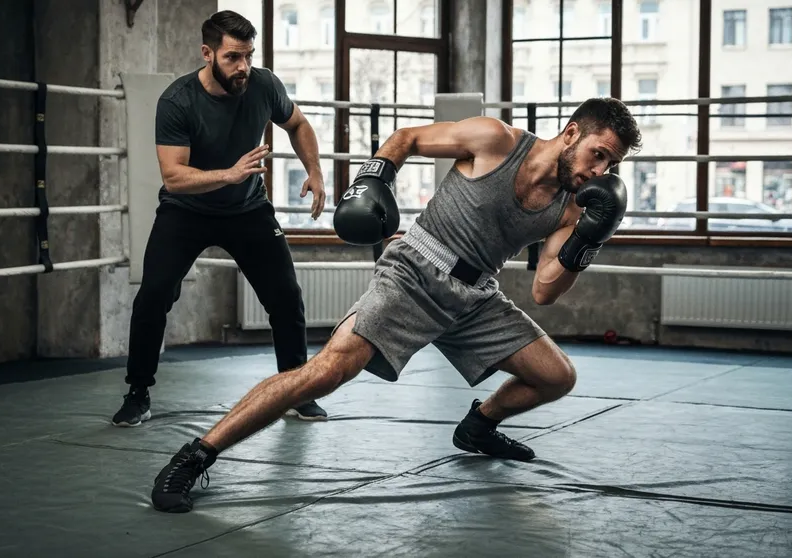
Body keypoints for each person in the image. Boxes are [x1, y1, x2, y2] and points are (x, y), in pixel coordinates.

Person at [149, 98, 642, 513]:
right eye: (598, 155)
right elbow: (406, 138)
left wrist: (588, 240)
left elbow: (545, 290)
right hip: (414, 271)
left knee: (557, 376)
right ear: (572, 132)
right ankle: (197, 455)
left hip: (474, 298)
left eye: (610, 166)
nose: (599, 172)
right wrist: (372, 180)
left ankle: (480, 424)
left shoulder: (574, 206)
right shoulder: (496, 140)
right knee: (328, 371)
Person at [111, 10, 330, 427]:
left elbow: (297, 123)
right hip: (186, 211)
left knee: (285, 295)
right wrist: (228, 174)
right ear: (207, 53)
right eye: (233, 57)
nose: (243, 66)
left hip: (247, 209)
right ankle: (138, 393)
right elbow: (174, 177)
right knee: (154, 294)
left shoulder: (263, 84)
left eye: (248, 55)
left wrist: (316, 171)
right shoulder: (178, 101)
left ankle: (296, 390)